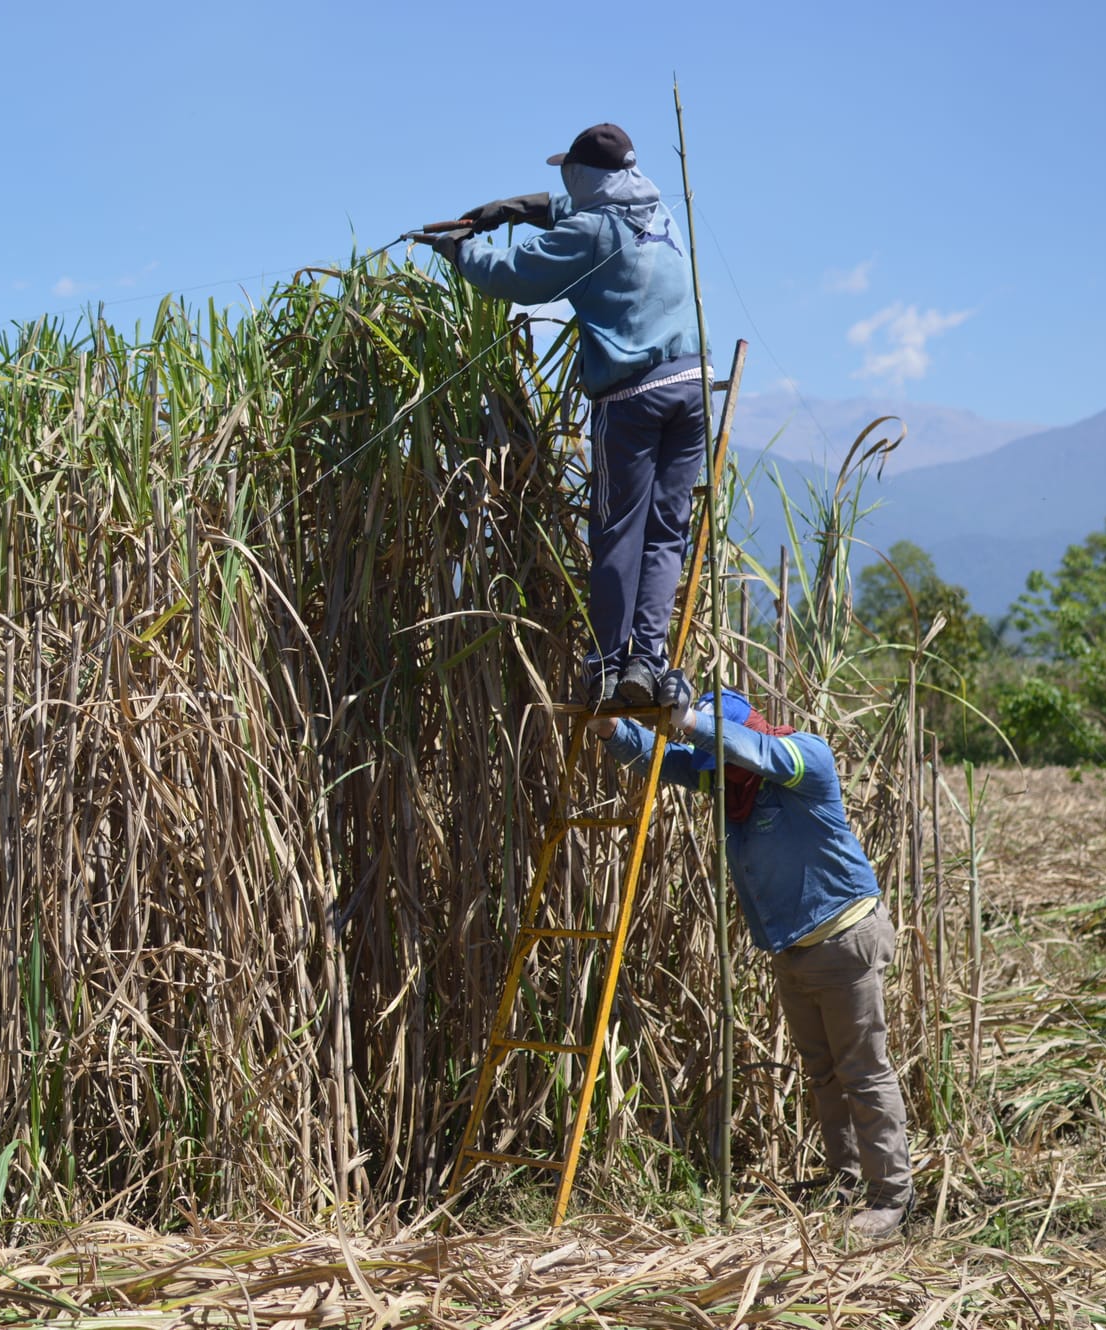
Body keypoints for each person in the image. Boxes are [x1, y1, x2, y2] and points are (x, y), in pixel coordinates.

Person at [591, 688, 913, 1240]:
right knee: (824, 1072)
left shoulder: (801, 758)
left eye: (725, 755)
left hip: (845, 939)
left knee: (862, 1072)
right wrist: (611, 730)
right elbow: (663, 760)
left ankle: (891, 1198)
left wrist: (690, 720)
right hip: (792, 950)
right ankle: (846, 1178)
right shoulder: (730, 784)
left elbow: (756, 755)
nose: (720, 772)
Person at [417, 123, 704, 709]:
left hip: (632, 399)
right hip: (691, 388)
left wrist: (460, 248)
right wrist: (511, 209)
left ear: (585, 174)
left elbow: (513, 277)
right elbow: (574, 208)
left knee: (618, 531)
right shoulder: (658, 210)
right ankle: (645, 662)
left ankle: (605, 665)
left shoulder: (591, 233)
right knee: (665, 532)